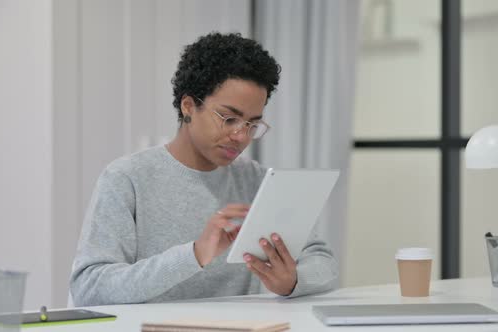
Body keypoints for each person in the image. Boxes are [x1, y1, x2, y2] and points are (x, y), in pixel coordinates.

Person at [69, 32, 338, 306]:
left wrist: (293, 280)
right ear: (189, 106)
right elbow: (89, 287)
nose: (241, 136)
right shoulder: (127, 178)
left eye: (251, 124)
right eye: (229, 118)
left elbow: (323, 262)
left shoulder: (257, 181)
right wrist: (194, 255)